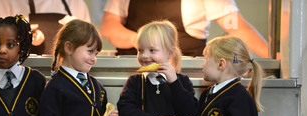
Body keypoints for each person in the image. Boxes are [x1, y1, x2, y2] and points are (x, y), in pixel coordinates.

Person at [101, 0, 269, 57]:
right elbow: (109, 26)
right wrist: (146, 41)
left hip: (186, 78)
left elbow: (236, 27)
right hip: (133, 75)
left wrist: (274, 59)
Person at [0, 0, 91, 54]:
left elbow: (89, 43)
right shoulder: (9, 2)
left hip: (67, 78)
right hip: (25, 77)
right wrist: (20, 35)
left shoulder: (76, 2)